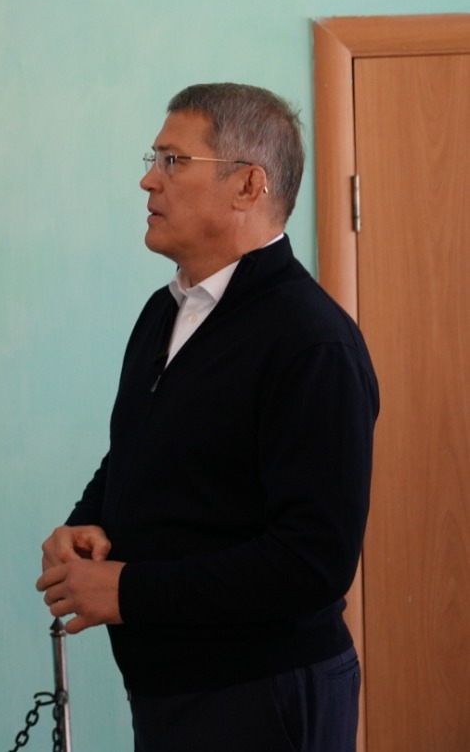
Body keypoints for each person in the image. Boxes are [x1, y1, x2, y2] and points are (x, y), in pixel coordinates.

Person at [36, 83, 378, 752]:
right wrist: (85, 523)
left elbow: (314, 561)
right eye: (154, 160)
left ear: (248, 185)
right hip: (172, 693)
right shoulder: (165, 312)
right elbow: (138, 448)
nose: (148, 180)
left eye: (172, 160)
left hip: (263, 694)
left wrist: (129, 591)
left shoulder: (312, 341)